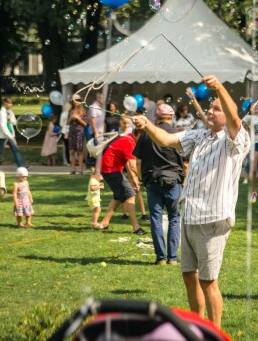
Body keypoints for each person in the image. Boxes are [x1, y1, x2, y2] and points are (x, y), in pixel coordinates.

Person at [132, 75, 250, 328]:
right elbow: (166, 140)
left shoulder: (235, 140)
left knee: (208, 281)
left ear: (227, 114)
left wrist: (219, 87)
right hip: (190, 215)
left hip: (213, 218)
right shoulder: (200, 136)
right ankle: (197, 327)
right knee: (189, 276)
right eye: (210, 106)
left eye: (216, 108)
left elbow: (236, 121)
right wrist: (147, 125)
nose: (210, 110)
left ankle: (214, 332)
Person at [133, 103, 185, 265]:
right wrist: (185, 181)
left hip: (152, 179)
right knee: (174, 218)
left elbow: (138, 162)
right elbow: (187, 163)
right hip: (174, 180)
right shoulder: (178, 134)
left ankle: (160, 258)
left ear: (156, 116)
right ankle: (173, 258)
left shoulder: (147, 134)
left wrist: (141, 179)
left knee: (155, 218)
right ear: (172, 116)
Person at [94, 126, 146, 235]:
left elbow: (127, 162)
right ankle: (136, 227)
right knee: (130, 195)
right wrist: (143, 179)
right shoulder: (129, 142)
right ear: (138, 134)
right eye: (143, 138)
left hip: (111, 168)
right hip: (110, 169)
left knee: (118, 196)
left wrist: (134, 178)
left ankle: (104, 222)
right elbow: (133, 166)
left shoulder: (128, 139)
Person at [0, 97, 25, 168]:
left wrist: (10, 119)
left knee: (15, 149)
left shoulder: (10, 112)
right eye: (9, 103)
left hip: (10, 134)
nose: (11, 105)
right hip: (3, 135)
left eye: (11, 103)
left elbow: (14, 123)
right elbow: (3, 125)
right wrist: (10, 136)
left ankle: (21, 165)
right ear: (5, 103)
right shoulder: (1, 112)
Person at [68, 96, 88, 175]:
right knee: (72, 151)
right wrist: (71, 118)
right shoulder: (71, 111)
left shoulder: (83, 111)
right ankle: (73, 169)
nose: (75, 102)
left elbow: (85, 124)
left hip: (79, 133)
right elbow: (67, 123)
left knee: (79, 151)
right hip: (72, 132)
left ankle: (80, 170)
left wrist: (78, 119)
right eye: (74, 101)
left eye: (77, 100)